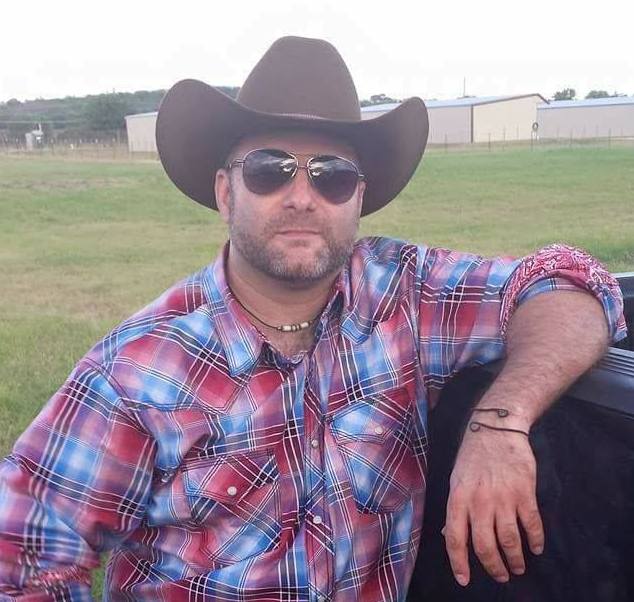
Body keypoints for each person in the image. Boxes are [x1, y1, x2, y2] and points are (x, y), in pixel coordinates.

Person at [0, 36, 626, 602]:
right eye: (269, 170)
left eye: (332, 175)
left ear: (359, 197)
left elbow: (572, 282)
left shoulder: (406, 297)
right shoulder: (137, 371)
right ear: (226, 192)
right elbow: (21, 563)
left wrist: (500, 422)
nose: (302, 196)